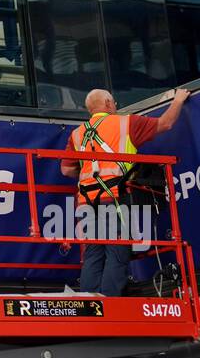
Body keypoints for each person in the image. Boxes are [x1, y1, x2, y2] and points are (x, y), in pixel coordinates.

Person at [60, 88, 190, 296]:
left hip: (85, 202)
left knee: (93, 254)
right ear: (109, 104)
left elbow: (66, 169)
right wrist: (179, 100)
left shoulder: (78, 134)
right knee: (117, 253)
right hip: (114, 198)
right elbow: (165, 123)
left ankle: (90, 304)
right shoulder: (125, 123)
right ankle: (110, 304)